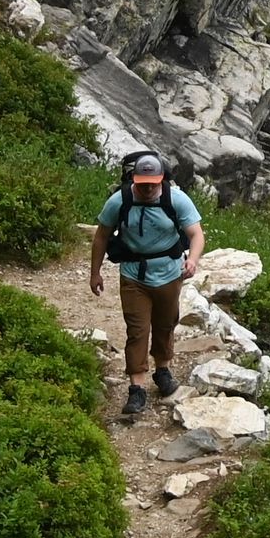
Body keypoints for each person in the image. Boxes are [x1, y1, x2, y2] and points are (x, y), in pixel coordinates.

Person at [88, 151, 204, 420]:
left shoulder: (176, 199)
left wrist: (193, 260)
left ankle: (162, 370)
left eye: (153, 183)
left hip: (169, 273)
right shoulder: (121, 200)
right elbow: (101, 236)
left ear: (161, 179)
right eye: (142, 183)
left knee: (165, 323)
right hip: (133, 275)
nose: (148, 188)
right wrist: (95, 273)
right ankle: (136, 388)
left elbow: (196, 234)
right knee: (137, 329)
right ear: (134, 180)